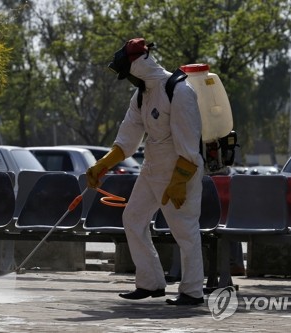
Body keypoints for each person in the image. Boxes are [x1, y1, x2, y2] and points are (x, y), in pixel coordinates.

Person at [86, 37, 205, 305]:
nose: (129, 81)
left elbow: (189, 146)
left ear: (139, 65)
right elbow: (126, 140)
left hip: (179, 174)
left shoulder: (180, 91)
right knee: (133, 219)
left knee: (185, 230)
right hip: (151, 171)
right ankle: (150, 282)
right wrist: (101, 165)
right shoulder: (141, 95)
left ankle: (192, 291)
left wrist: (178, 182)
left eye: (129, 74)